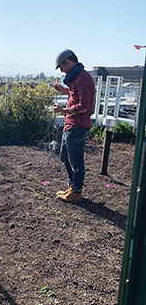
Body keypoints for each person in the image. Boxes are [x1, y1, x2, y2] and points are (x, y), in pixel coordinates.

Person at [53, 49, 95, 203]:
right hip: (71, 124)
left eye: (62, 66)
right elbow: (74, 94)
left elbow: (83, 107)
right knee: (65, 158)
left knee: (76, 161)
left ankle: (76, 191)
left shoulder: (83, 78)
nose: (62, 70)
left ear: (68, 61)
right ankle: (72, 187)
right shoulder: (77, 77)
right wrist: (63, 90)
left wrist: (61, 110)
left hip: (77, 125)